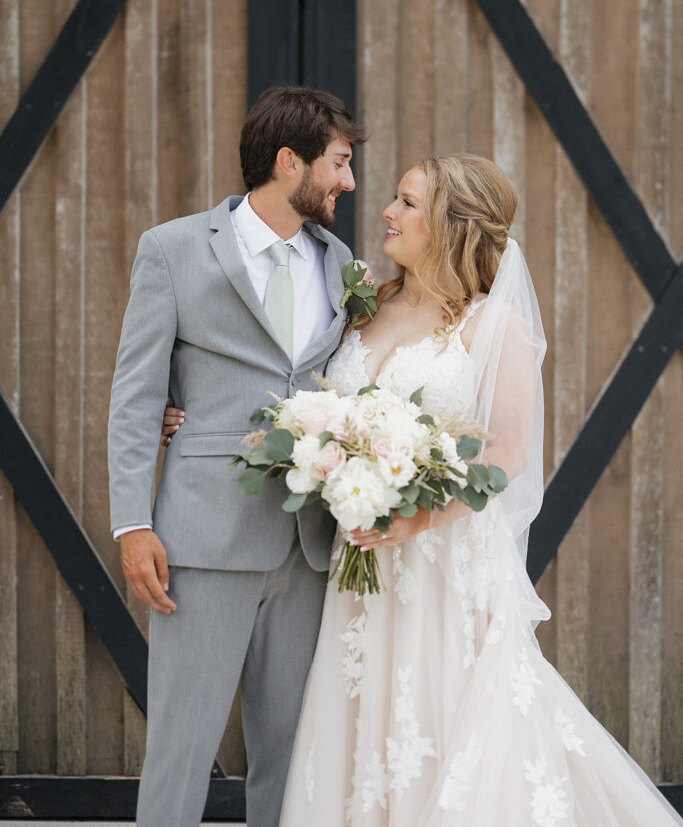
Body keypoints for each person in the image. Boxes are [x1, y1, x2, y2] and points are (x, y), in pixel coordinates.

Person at [271, 155, 680, 825]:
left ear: (448, 224)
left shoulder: (491, 328)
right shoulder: (363, 306)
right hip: (363, 557)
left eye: (405, 202)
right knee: (363, 715)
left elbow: (506, 454)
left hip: (442, 565)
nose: (387, 212)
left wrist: (416, 520)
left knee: (446, 716)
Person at [108, 85, 365, 827]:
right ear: (290, 163)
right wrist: (132, 525)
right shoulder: (174, 248)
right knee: (182, 746)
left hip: (309, 541)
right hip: (202, 537)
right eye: (338, 164)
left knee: (290, 750)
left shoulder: (339, 260)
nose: (347, 183)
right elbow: (134, 397)